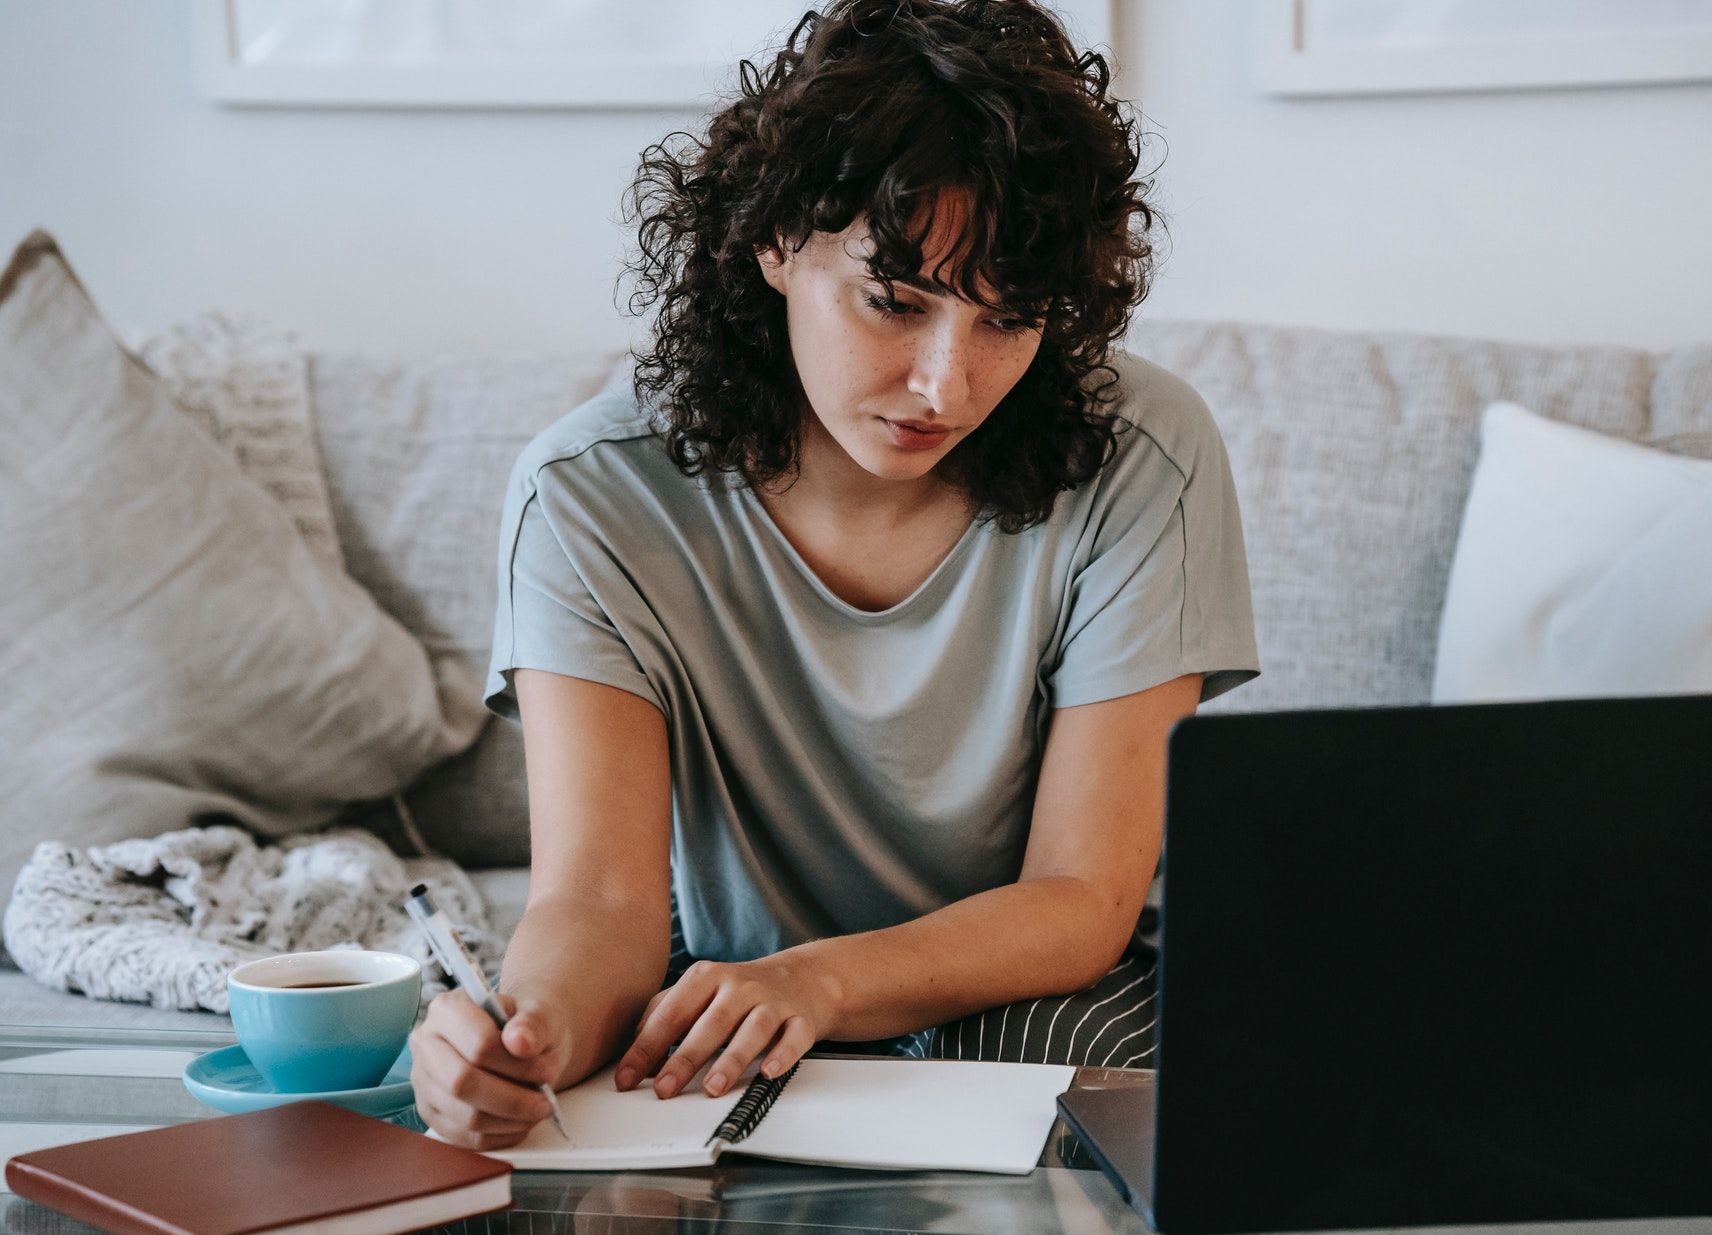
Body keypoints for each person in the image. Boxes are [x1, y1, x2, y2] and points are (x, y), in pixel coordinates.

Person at [411, 0, 1259, 1151]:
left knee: (1038, 1083)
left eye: (1008, 322)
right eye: (895, 301)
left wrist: (823, 982)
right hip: (738, 988)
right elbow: (600, 900)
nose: (944, 386)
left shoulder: (1143, 456)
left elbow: (1082, 898)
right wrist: (528, 1038)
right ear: (775, 242)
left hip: (1035, 991)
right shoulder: (588, 496)